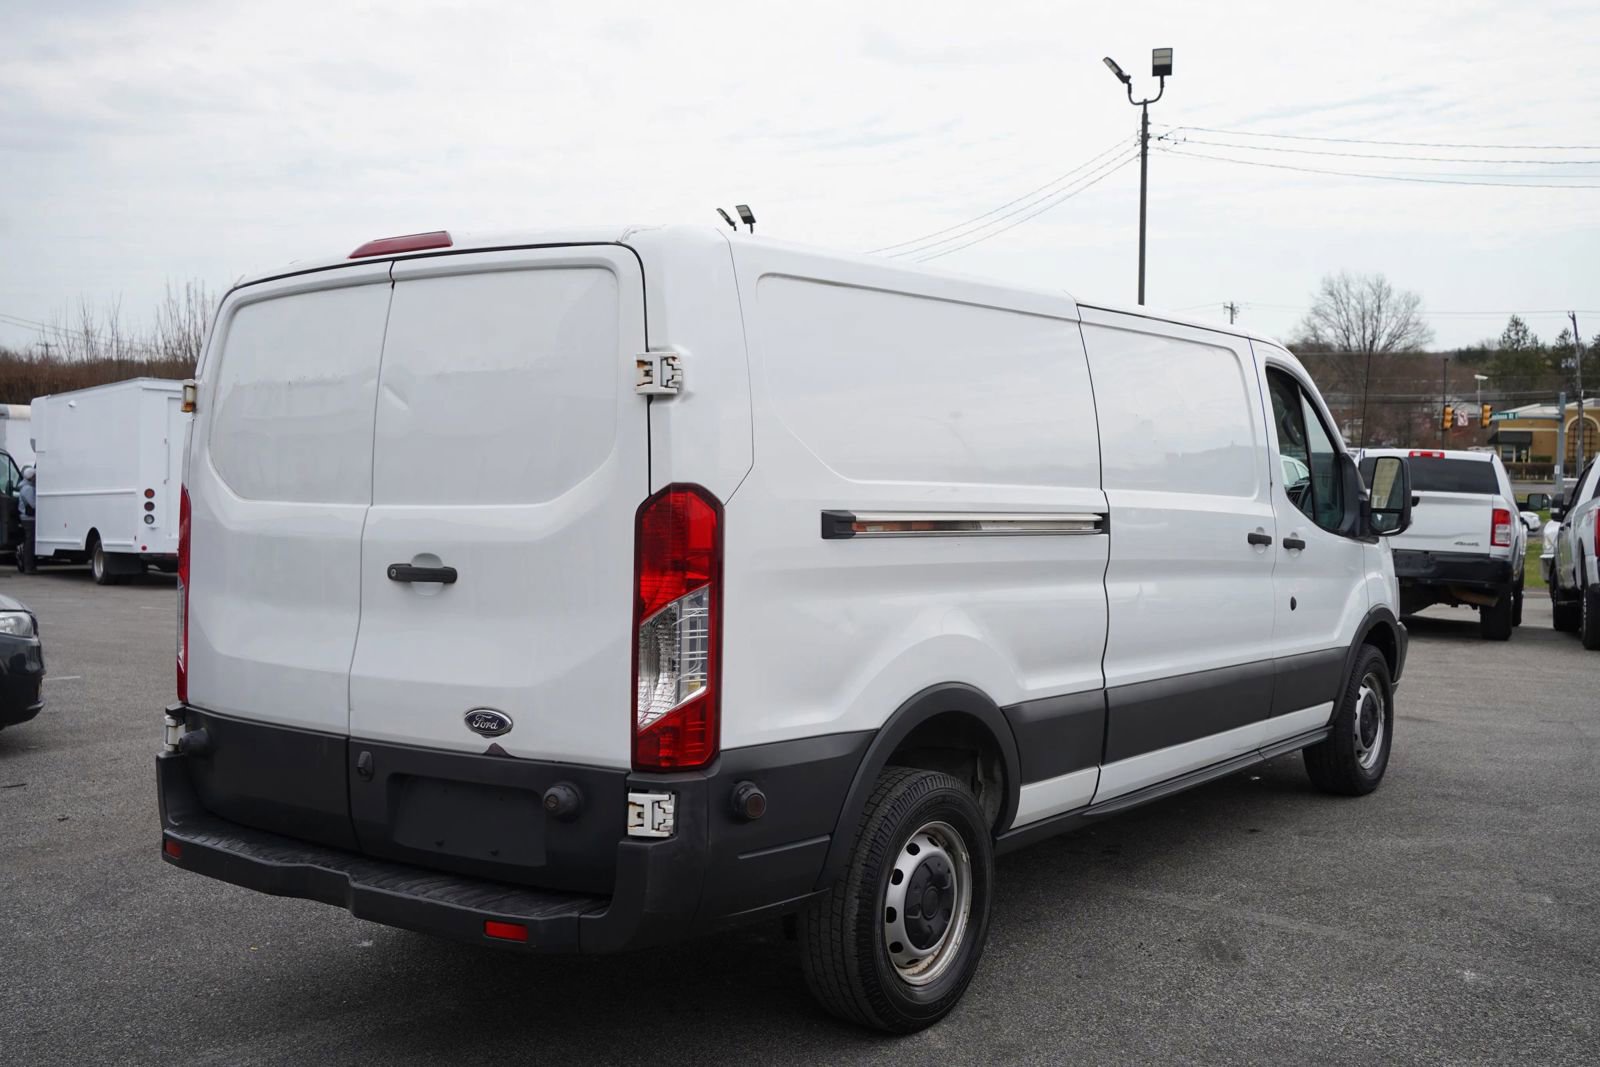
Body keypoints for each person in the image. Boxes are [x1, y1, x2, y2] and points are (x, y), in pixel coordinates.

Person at [17, 466, 36, 574]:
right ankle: (29, 567)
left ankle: (29, 566)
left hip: (26, 518)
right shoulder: (28, 489)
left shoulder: (25, 487)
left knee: (29, 541)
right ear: (31, 477)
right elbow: (33, 504)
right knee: (30, 542)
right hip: (28, 518)